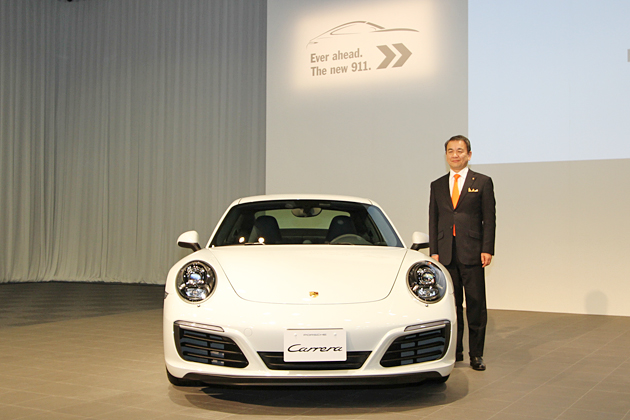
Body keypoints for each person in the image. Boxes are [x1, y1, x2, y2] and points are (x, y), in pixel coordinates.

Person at [429, 135, 496, 371]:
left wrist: (487, 248)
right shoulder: (437, 185)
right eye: (450, 151)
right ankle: (455, 352)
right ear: (446, 155)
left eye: (459, 150)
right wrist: (434, 251)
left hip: (473, 252)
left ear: (469, 154)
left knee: (476, 304)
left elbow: (489, 219)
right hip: (446, 253)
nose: (455, 155)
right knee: (452, 306)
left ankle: (476, 354)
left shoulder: (483, 182)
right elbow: (434, 219)